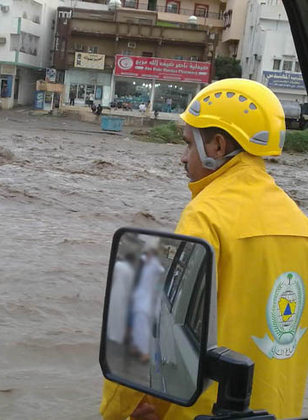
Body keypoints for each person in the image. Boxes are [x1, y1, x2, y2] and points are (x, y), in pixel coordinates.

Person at [100, 78, 308, 419]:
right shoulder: (300, 223)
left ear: (217, 146)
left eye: (188, 145)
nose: (183, 158)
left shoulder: (206, 217)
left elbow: (156, 328)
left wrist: (117, 410)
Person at [129, 249, 164, 363]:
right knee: (137, 327)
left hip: (145, 303)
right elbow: (142, 259)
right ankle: (136, 347)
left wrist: (153, 260)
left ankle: (144, 352)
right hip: (139, 300)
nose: (146, 257)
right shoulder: (145, 266)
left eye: (149, 255)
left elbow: (161, 269)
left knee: (142, 327)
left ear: (153, 256)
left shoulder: (154, 265)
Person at [107, 253, 136, 345]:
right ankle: (117, 336)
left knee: (112, 313)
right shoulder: (131, 270)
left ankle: (110, 334)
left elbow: (112, 276)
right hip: (124, 295)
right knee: (120, 317)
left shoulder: (118, 265)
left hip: (116, 292)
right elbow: (130, 286)